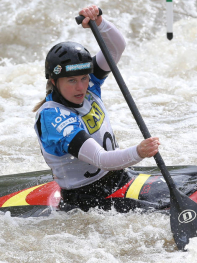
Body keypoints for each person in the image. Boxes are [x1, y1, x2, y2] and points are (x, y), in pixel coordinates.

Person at [33, 5, 160, 211]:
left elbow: (116, 48)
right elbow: (101, 159)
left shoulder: (89, 85)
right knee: (158, 214)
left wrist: (99, 22)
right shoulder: (53, 118)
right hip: (86, 200)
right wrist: (138, 152)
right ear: (54, 81)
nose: (81, 87)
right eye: (72, 81)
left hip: (119, 179)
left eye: (84, 78)